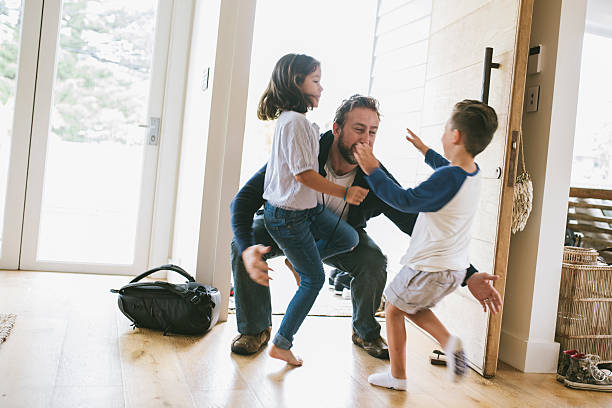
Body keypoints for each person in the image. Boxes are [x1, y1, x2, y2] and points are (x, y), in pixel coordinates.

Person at [230, 94, 502, 360]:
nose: (366, 139)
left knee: (373, 261)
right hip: (287, 227)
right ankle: (255, 330)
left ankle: (365, 332)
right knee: (244, 242)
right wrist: (245, 247)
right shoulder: (304, 151)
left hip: (340, 239)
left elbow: (417, 225)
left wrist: (469, 275)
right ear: (336, 129)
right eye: (358, 129)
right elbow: (243, 199)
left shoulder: (374, 174)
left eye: (372, 132)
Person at [354, 100, 501, 390]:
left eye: (446, 129)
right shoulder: (472, 172)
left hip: (428, 266)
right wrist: (424, 151)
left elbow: (404, 200)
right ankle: (450, 343)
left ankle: (398, 376)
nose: (443, 134)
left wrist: (373, 170)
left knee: (394, 308)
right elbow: (447, 169)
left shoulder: (448, 177)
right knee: (411, 306)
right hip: (454, 270)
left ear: (456, 136)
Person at [256, 54, 369, 366]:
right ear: (297, 83)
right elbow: (305, 175)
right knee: (315, 280)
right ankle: (282, 342)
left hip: (305, 210)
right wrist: (346, 192)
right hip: (289, 217)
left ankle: (299, 261)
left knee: (348, 237)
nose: (321, 87)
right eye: (316, 81)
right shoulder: (296, 124)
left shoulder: (295, 122)